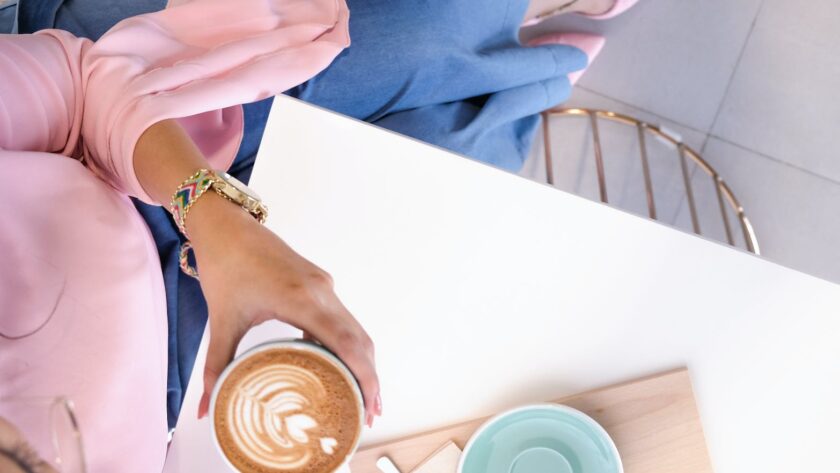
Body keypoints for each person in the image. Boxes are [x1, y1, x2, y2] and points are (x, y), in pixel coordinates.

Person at [0, 0, 638, 470]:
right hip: (180, 377)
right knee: (440, 179)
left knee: (406, 32)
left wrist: (214, 217)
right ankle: (523, 77)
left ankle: (522, 25)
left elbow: (77, 84)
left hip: (110, 143)